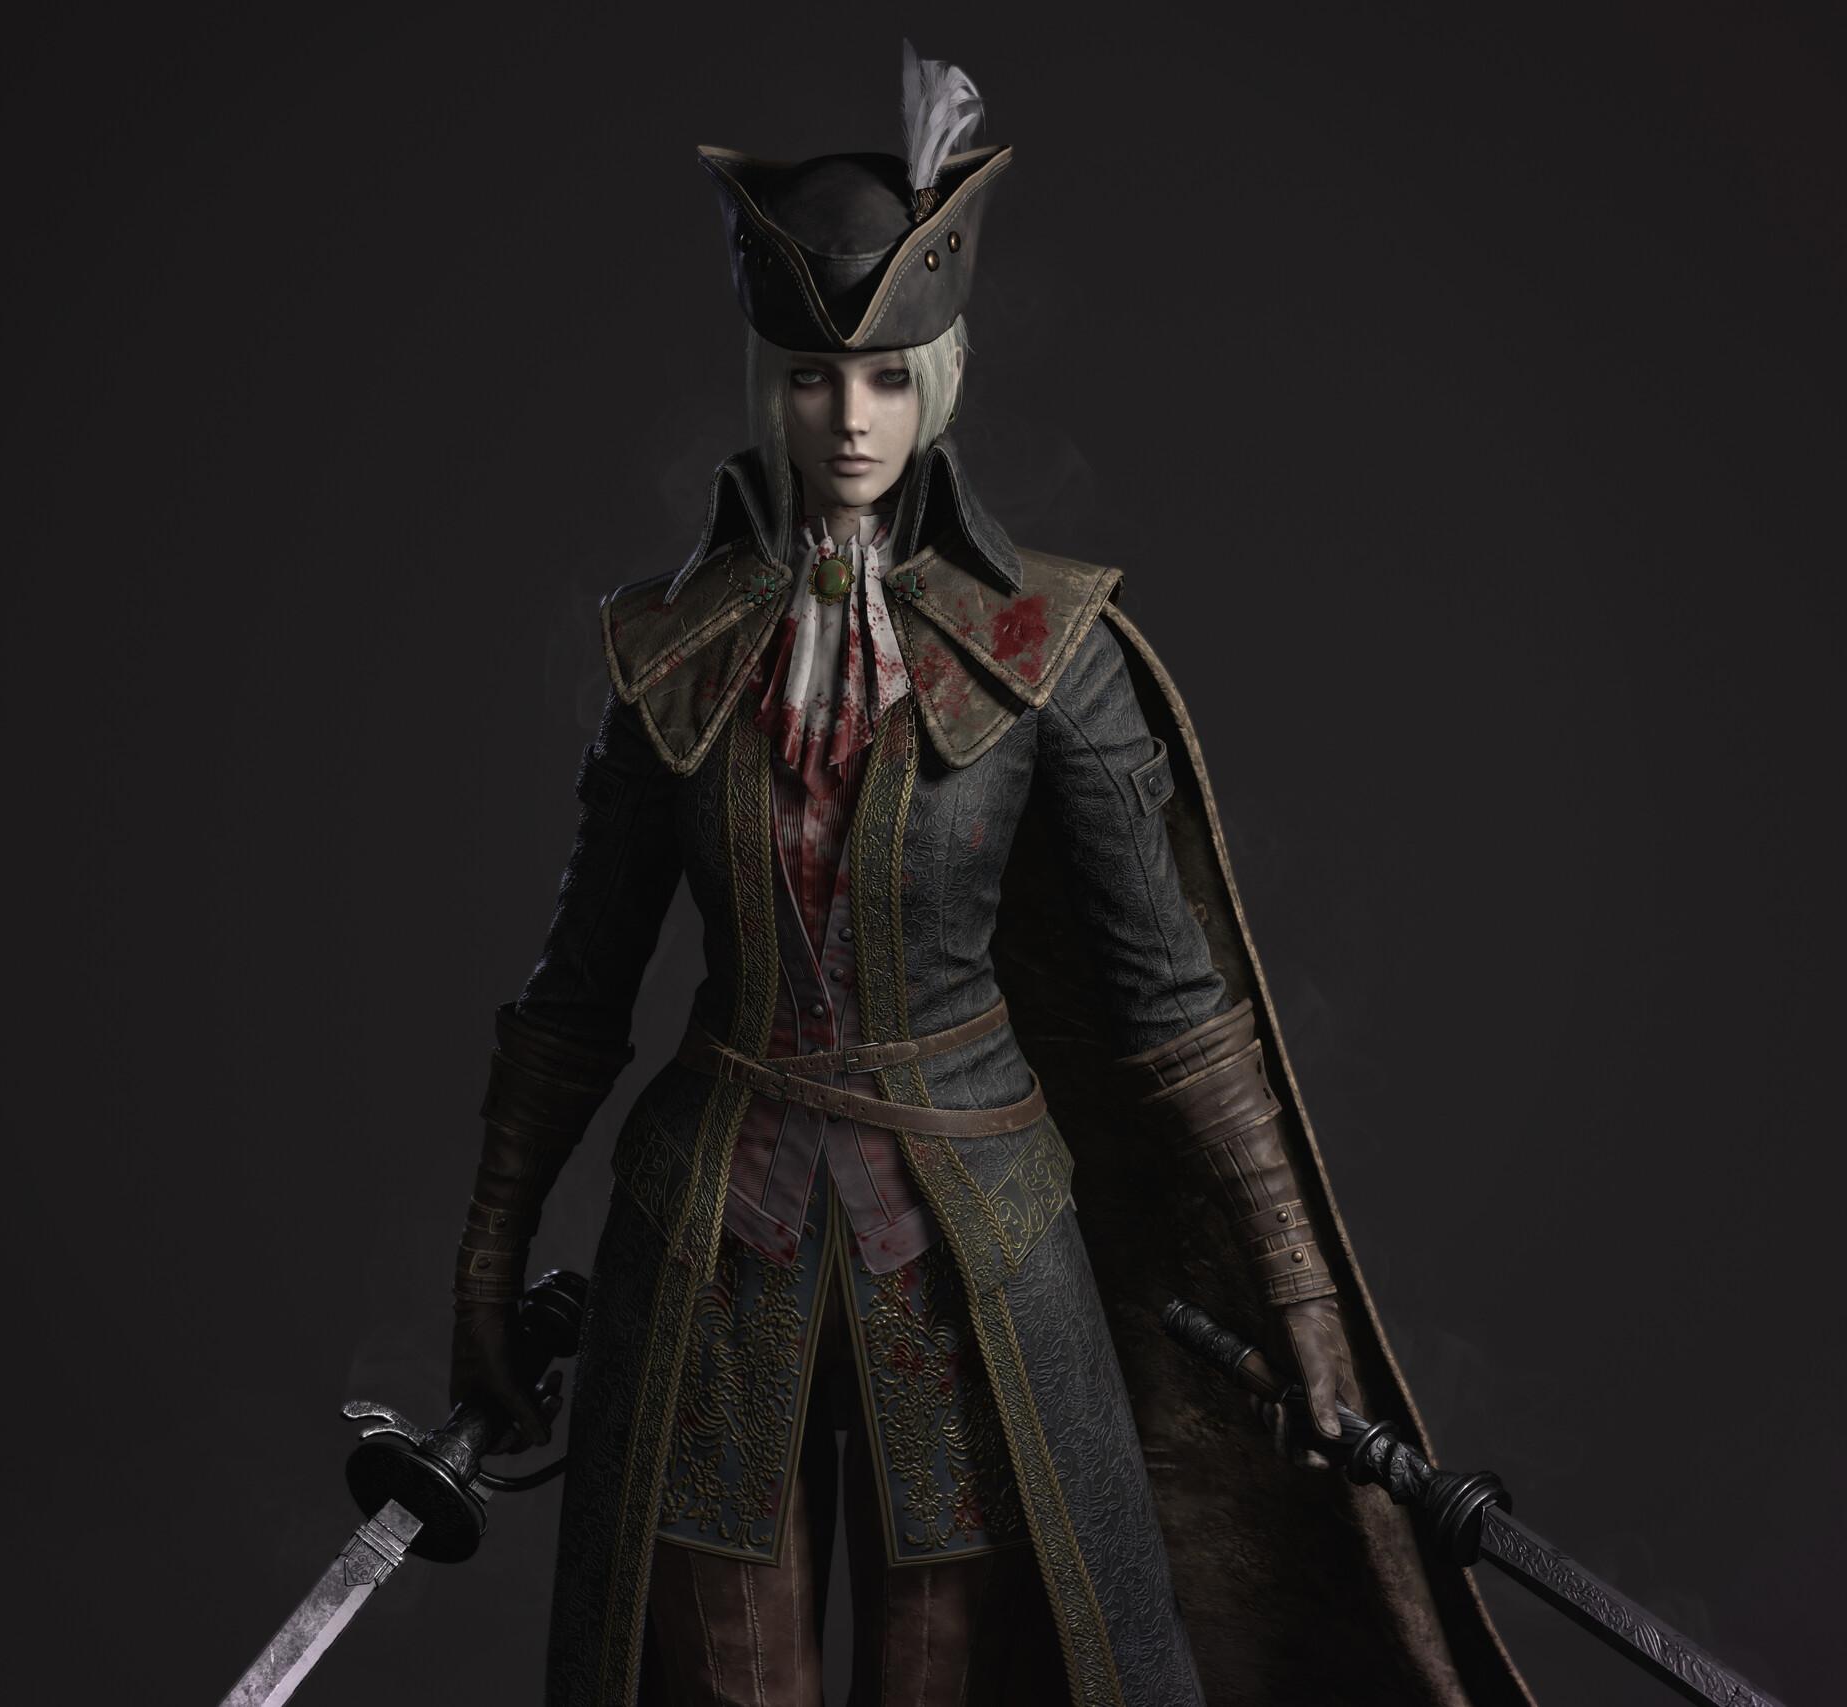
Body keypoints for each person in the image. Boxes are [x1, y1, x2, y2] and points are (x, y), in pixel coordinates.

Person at [449, 44, 1534, 1707]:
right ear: (770, 381)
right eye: (816, 378)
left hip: (971, 1265)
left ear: (939, 376)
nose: (851, 418)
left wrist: (1304, 1299)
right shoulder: (671, 650)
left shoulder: (1050, 648)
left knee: (958, 1673)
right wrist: (485, 1256)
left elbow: (1178, 1007)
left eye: (887, 378)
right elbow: (576, 995)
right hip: (714, 1250)